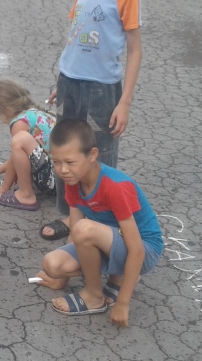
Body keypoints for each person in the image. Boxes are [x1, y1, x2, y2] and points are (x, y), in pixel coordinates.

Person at [42, 0, 143, 242]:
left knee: (100, 152)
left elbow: (134, 50)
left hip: (102, 90)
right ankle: (70, 213)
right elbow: (76, 38)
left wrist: (124, 102)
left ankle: (104, 217)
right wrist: (61, 82)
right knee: (65, 148)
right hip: (69, 82)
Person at [35, 119, 162, 327]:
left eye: (70, 162)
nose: (63, 170)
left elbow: (137, 249)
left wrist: (123, 303)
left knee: (85, 229)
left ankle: (94, 296)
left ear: (92, 155)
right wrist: (62, 278)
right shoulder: (73, 181)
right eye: (56, 162)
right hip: (112, 241)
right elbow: (74, 234)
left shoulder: (115, 186)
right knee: (53, 265)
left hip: (144, 249)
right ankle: (117, 275)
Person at [0, 79, 56, 210]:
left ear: (7, 110)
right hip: (66, 180)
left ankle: (26, 194)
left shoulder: (19, 123)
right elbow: (19, 158)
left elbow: (15, 157)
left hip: (53, 182)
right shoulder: (35, 113)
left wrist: (4, 188)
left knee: (19, 141)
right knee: (20, 144)